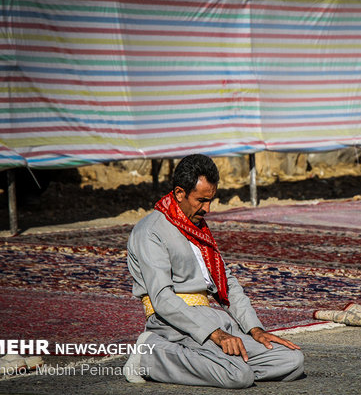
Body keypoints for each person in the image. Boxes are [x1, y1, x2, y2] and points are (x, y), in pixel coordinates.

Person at [124, 154, 304, 388]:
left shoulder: (196, 227)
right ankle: (150, 355)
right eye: (201, 200)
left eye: (211, 200)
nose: (207, 208)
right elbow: (162, 299)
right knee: (238, 376)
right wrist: (215, 334)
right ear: (180, 193)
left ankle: (216, 366)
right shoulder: (150, 231)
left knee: (291, 361)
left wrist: (254, 329)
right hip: (175, 324)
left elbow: (225, 282)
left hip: (214, 319)